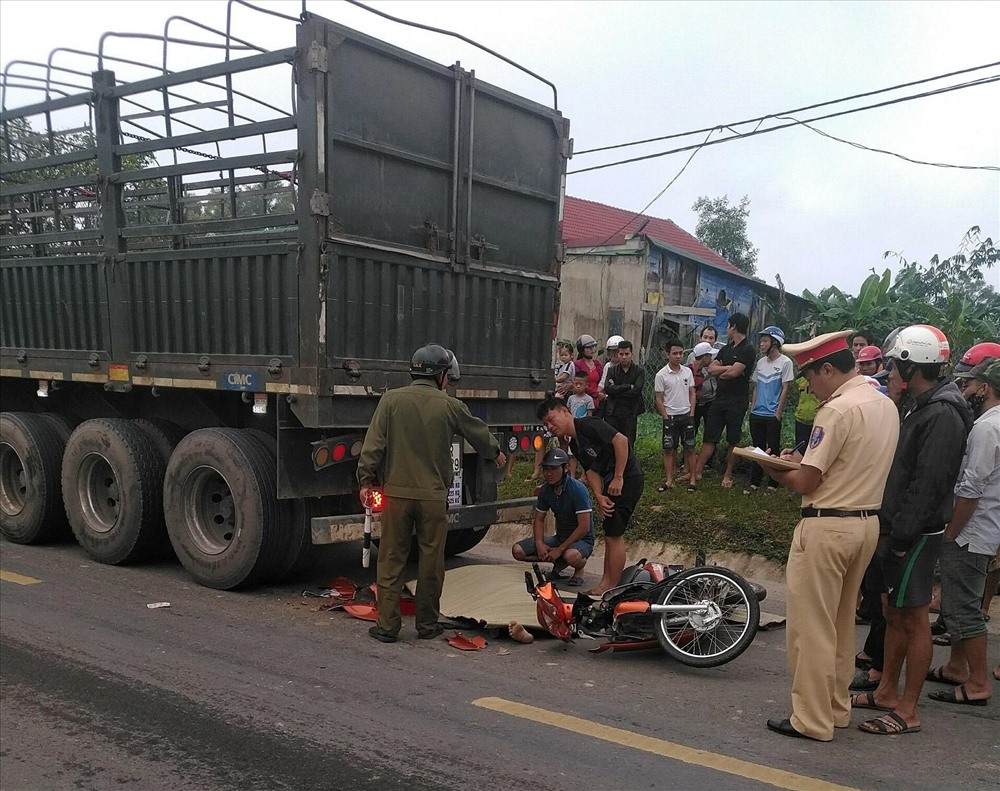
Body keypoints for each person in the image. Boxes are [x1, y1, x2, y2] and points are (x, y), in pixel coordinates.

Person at [762, 330, 899, 742]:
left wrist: (772, 467)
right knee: (840, 624)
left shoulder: (836, 410)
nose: (808, 387)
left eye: (809, 378)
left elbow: (806, 482)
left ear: (827, 369)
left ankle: (811, 719)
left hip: (827, 525)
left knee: (811, 628)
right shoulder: (883, 403)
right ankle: (836, 708)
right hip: (866, 523)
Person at [854, 324, 973, 736]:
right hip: (900, 529)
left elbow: (928, 484)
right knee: (894, 614)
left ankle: (908, 710)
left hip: (915, 534)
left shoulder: (941, 414)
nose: (888, 372)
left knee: (914, 619)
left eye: (893, 365)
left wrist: (902, 537)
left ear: (912, 366)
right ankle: (887, 691)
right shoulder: (921, 405)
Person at [357, 343, 506, 643]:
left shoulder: (390, 400)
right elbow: (478, 433)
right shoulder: (449, 405)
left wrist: (365, 480)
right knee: (431, 561)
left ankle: (387, 627)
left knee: (391, 559)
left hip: (397, 496)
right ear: (439, 375)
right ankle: (426, 624)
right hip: (433, 498)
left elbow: (373, 445)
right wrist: (496, 453)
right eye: (447, 376)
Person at [925, 358, 1000, 706]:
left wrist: (951, 532)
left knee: (962, 608)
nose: (965, 391)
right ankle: (957, 667)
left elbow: (971, 488)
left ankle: (978, 682)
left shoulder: (987, 428)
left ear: (984, 388)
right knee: (959, 601)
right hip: (983, 529)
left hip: (970, 530)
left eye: (969, 385)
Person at [537, 396, 644, 597]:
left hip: (627, 478)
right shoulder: (575, 444)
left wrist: (619, 477)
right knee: (610, 532)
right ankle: (607, 583)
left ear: (565, 411)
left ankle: (610, 587)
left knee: (614, 534)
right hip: (610, 482)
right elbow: (591, 470)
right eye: (546, 424)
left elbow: (621, 441)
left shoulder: (588, 425)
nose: (550, 426)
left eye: (551, 419)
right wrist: (599, 496)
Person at [511, 448, 595, 587]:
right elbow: (539, 519)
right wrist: (539, 543)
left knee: (571, 556)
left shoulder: (578, 490)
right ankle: (560, 562)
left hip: (582, 540)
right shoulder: (545, 490)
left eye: (554, 469)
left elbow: (584, 527)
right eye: (546, 469)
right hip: (560, 537)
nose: (549, 473)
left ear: (565, 468)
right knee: (518, 551)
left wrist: (560, 549)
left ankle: (579, 569)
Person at [693, 313, 756, 489]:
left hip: (737, 401)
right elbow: (712, 369)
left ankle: (728, 474)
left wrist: (728, 370)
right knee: (710, 436)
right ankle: (697, 471)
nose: (727, 329)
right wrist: (729, 368)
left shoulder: (748, 349)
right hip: (719, 399)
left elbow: (733, 373)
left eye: (728, 326)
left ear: (733, 326)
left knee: (733, 439)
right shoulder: (726, 349)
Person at [747, 326, 794, 493]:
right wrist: (753, 408)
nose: (761, 344)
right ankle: (755, 480)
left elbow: (785, 388)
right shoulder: (761, 362)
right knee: (757, 448)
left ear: (775, 343)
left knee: (773, 448)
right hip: (757, 413)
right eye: (761, 341)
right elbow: (756, 387)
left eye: (765, 341)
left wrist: (778, 412)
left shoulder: (785, 362)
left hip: (772, 413)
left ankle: (774, 482)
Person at [526, 341, 576, 481]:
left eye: (566, 354)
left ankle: (563, 467)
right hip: (550, 406)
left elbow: (563, 377)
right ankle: (538, 469)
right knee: (542, 439)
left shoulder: (570, 366)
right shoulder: (557, 366)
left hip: (559, 405)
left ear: (571, 355)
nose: (563, 357)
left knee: (562, 439)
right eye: (561, 355)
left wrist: (552, 380)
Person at [654, 338, 696, 492]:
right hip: (670, 416)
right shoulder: (661, 375)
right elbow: (659, 398)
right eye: (675, 353)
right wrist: (665, 416)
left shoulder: (688, 372)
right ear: (668, 354)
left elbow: (692, 393)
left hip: (686, 415)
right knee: (669, 449)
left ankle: (692, 479)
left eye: (681, 353)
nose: (678, 356)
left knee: (690, 448)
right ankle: (669, 480)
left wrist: (691, 413)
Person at [602, 340, 645, 447]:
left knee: (629, 443)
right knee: (612, 443)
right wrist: (627, 386)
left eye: (627, 354)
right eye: (621, 354)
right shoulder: (612, 370)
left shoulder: (639, 371)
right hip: (613, 412)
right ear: (618, 354)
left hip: (630, 412)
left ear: (632, 354)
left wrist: (616, 390)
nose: (624, 357)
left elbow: (636, 391)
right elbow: (607, 388)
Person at [565, 371, 595, 478]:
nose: (577, 386)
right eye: (575, 383)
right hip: (572, 429)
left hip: (583, 430)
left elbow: (590, 416)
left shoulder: (589, 399)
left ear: (587, 385)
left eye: (580, 384)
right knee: (572, 453)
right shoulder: (571, 399)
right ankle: (572, 476)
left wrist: (588, 430)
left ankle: (584, 476)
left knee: (584, 453)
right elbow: (568, 414)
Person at [574, 334, 604, 404]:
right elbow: (579, 384)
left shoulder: (597, 364)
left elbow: (602, 381)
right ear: (582, 350)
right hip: (583, 400)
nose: (592, 349)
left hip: (598, 399)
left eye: (593, 346)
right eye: (588, 347)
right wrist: (596, 394)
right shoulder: (577, 364)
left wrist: (601, 393)